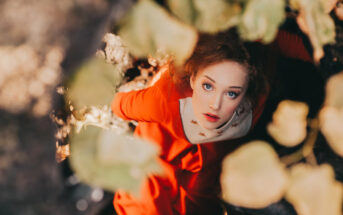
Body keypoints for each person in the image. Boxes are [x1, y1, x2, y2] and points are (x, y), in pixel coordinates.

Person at [111, 29, 269, 215]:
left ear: (246, 93)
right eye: (208, 86)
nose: (215, 105)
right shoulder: (165, 101)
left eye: (231, 93)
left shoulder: (256, 102)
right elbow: (120, 105)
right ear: (193, 79)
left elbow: (284, 44)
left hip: (207, 171)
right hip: (159, 153)